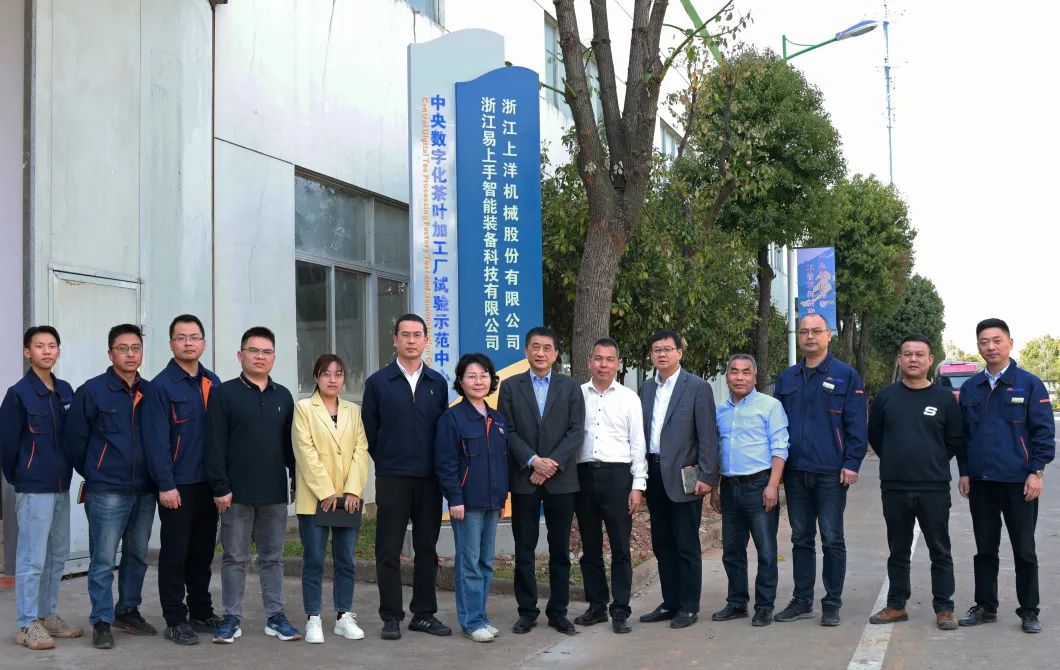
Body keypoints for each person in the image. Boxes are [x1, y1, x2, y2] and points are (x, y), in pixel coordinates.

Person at [957, 318, 1054, 634]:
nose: (991, 346)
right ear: (978, 346)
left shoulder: (1029, 384)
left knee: (1024, 549)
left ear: (1010, 343)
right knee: (985, 548)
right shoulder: (971, 388)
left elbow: (1043, 433)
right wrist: (964, 472)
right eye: (984, 341)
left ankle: (1029, 610)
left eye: (997, 340)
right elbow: (963, 437)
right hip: (982, 483)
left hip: (1018, 482)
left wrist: (1036, 472)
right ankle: (985, 606)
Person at [64, 324, 158, 649]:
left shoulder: (151, 392)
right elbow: (75, 442)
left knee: (137, 555)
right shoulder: (92, 391)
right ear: (110, 353)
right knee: (103, 559)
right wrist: (97, 471)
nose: (130, 354)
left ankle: (127, 611)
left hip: (145, 489)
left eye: (135, 348)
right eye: (122, 348)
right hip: (107, 490)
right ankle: (101, 620)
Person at [205, 326, 300, 644]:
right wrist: (220, 487)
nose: (260, 357)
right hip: (235, 494)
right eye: (254, 351)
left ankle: (276, 616)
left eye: (266, 352)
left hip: (273, 492)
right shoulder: (224, 394)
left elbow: (290, 446)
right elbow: (214, 444)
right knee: (234, 558)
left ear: (274, 357)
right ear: (240, 355)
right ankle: (231, 617)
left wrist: (295, 480)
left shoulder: (283, 396)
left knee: (273, 558)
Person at [772, 314, 867, 627]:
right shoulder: (787, 378)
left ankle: (832, 602)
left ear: (829, 335)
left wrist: (851, 463)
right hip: (795, 472)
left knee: (831, 537)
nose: (810, 336)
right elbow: (776, 426)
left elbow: (856, 424)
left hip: (831, 472)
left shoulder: (846, 375)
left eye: (816, 331)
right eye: (804, 331)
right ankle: (802, 600)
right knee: (801, 538)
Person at [361, 313, 451, 640]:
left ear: (426, 340)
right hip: (393, 477)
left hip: (429, 479)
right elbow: (370, 431)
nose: (411, 340)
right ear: (395, 340)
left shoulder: (437, 383)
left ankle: (423, 614)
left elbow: (442, 431)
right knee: (388, 549)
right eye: (405, 335)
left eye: (417, 335)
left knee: (427, 547)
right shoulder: (378, 383)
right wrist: (388, 460)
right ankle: (391, 616)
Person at [867, 334, 963, 631]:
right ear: (900, 359)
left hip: (933, 487)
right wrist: (896, 460)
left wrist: (931, 461)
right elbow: (876, 436)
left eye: (919, 354)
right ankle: (896, 605)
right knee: (898, 549)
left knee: (940, 550)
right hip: (894, 486)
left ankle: (944, 608)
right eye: (907, 354)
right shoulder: (886, 397)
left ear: (930, 360)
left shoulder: (944, 399)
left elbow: (954, 439)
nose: (913, 359)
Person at [141, 315, 224, 645]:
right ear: (171, 344)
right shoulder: (161, 387)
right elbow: (156, 442)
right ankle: (174, 619)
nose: (188, 343)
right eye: (181, 337)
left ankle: (201, 611)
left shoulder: (212, 382)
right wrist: (165, 484)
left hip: (208, 484)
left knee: (202, 553)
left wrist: (222, 483)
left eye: (194, 337)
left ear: (204, 343)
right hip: (178, 485)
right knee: (175, 555)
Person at [498, 326, 585, 636]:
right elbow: (507, 430)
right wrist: (534, 461)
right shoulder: (510, 386)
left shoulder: (570, 387)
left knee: (560, 550)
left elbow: (576, 431)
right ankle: (527, 611)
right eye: (535, 347)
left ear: (556, 354)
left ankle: (558, 612)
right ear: (526, 351)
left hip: (561, 481)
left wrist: (550, 465)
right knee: (524, 548)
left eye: (547, 348)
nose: (540, 353)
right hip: (525, 479)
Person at [0, 326, 82, 650]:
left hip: (61, 486)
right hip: (34, 488)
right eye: (39, 346)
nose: (46, 351)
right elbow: (6, 447)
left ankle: (47, 615)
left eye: (52, 346)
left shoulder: (64, 391)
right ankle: (26, 623)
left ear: (58, 351)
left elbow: (73, 437)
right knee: (32, 558)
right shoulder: (18, 394)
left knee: (57, 555)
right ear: (27, 352)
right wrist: (23, 476)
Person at [638, 329, 718, 630]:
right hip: (654, 473)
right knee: (662, 543)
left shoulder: (697, 387)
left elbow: (708, 435)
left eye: (667, 349)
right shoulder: (647, 388)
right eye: (656, 349)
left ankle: (688, 606)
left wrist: (707, 475)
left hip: (685, 475)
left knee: (686, 544)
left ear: (679, 353)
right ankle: (669, 602)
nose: (662, 354)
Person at [293, 354, 370, 644]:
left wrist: (352, 490)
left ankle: (343, 616)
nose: (332, 379)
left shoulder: (353, 410)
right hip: (315, 498)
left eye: (338, 374)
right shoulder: (303, 409)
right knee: (314, 559)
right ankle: (313, 617)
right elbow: (305, 451)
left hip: (348, 499)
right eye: (326, 373)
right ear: (316, 377)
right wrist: (326, 491)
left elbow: (360, 451)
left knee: (346, 559)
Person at [572, 337, 647, 634]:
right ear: (589, 361)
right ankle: (596, 606)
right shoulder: (576, 395)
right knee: (589, 546)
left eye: (609, 359)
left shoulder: (629, 398)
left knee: (620, 547)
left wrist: (637, 485)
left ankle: (620, 609)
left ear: (618, 364)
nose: (603, 364)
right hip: (583, 476)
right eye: (598, 358)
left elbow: (637, 444)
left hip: (618, 478)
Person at [434, 353, 509, 643]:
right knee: (469, 563)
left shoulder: (496, 418)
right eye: (472, 376)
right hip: (467, 504)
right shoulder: (452, 418)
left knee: (486, 562)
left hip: (492, 502)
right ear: (461, 382)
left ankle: (481, 616)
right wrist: (454, 498)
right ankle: (470, 621)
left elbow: (501, 462)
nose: (478, 382)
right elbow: (446, 463)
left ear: (491, 380)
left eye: (483, 376)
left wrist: (501, 500)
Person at [710, 354, 788, 627]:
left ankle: (764, 606)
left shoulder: (770, 406)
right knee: (732, 551)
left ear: (755, 377)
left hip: (759, 486)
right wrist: (715, 488)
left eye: (746, 372)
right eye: (734, 372)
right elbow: (717, 450)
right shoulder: (720, 410)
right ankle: (737, 602)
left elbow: (780, 447)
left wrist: (772, 485)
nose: (739, 377)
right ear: (727, 377)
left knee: (766, 551)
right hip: (729, 487)